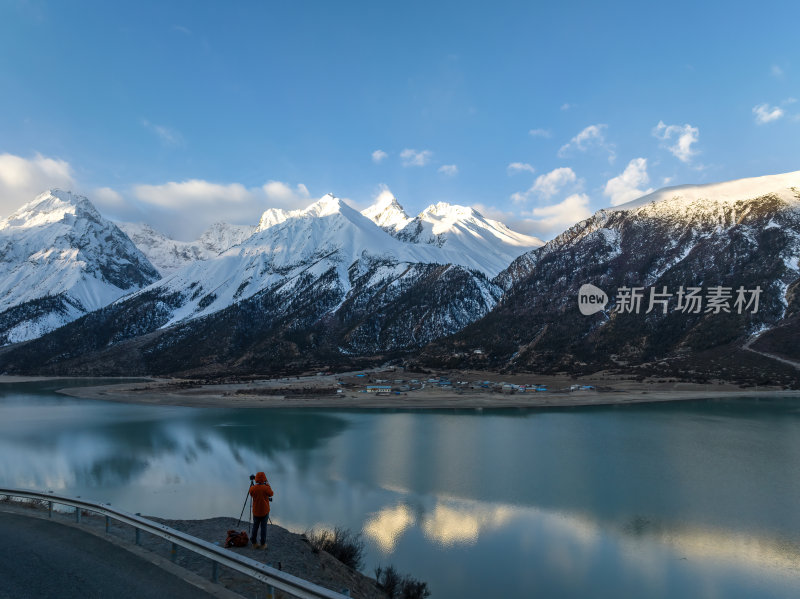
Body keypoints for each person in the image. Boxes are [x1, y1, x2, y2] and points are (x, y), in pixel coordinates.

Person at [249, 471, 274, 549]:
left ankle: (254, 543)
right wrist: (267, 483)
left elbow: (251, 494)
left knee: (255, 527)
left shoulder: (252, 488)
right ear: (264, 478)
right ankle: (262, 544)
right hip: (264, 512)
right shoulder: (266, 488)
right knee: (263, 528)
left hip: (256, 512)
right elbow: (271, 493)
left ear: (256, 478)